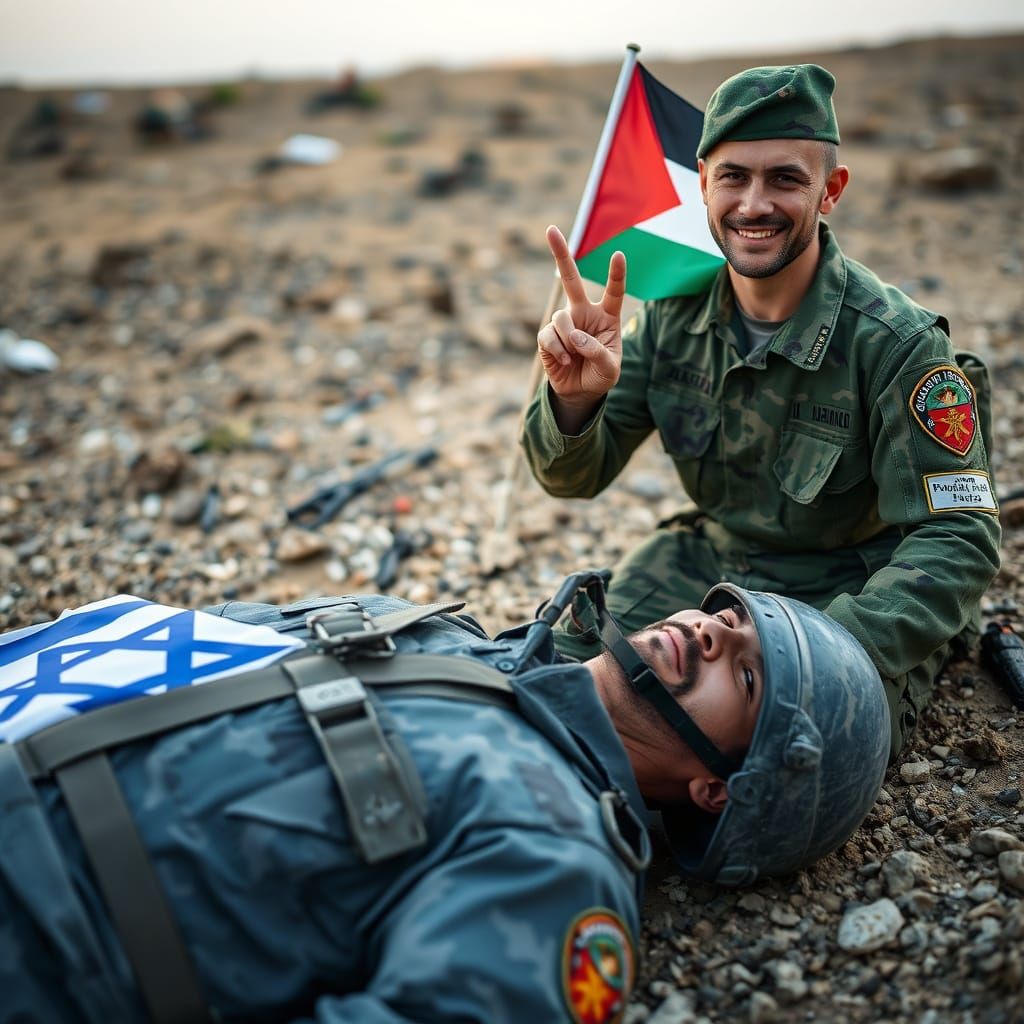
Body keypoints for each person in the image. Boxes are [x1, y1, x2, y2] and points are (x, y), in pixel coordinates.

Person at [0, 571, 889, 1023]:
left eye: (743, 672)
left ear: (718, 790)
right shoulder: (440, 635)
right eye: (728, 620)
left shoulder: (555, 852)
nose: (708, 630)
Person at [521, 63, 1001, 760]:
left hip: (854, 580)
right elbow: (572, 479)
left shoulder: (898, 345)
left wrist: (830, 649)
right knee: (556, 682)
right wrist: (575, 397)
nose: (754, 204)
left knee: (783, 750)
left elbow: (958, 536)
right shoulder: (671, 316)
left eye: (785, 179)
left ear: (829, 191)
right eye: (734, 177)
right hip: (711, 560)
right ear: (704, 183)